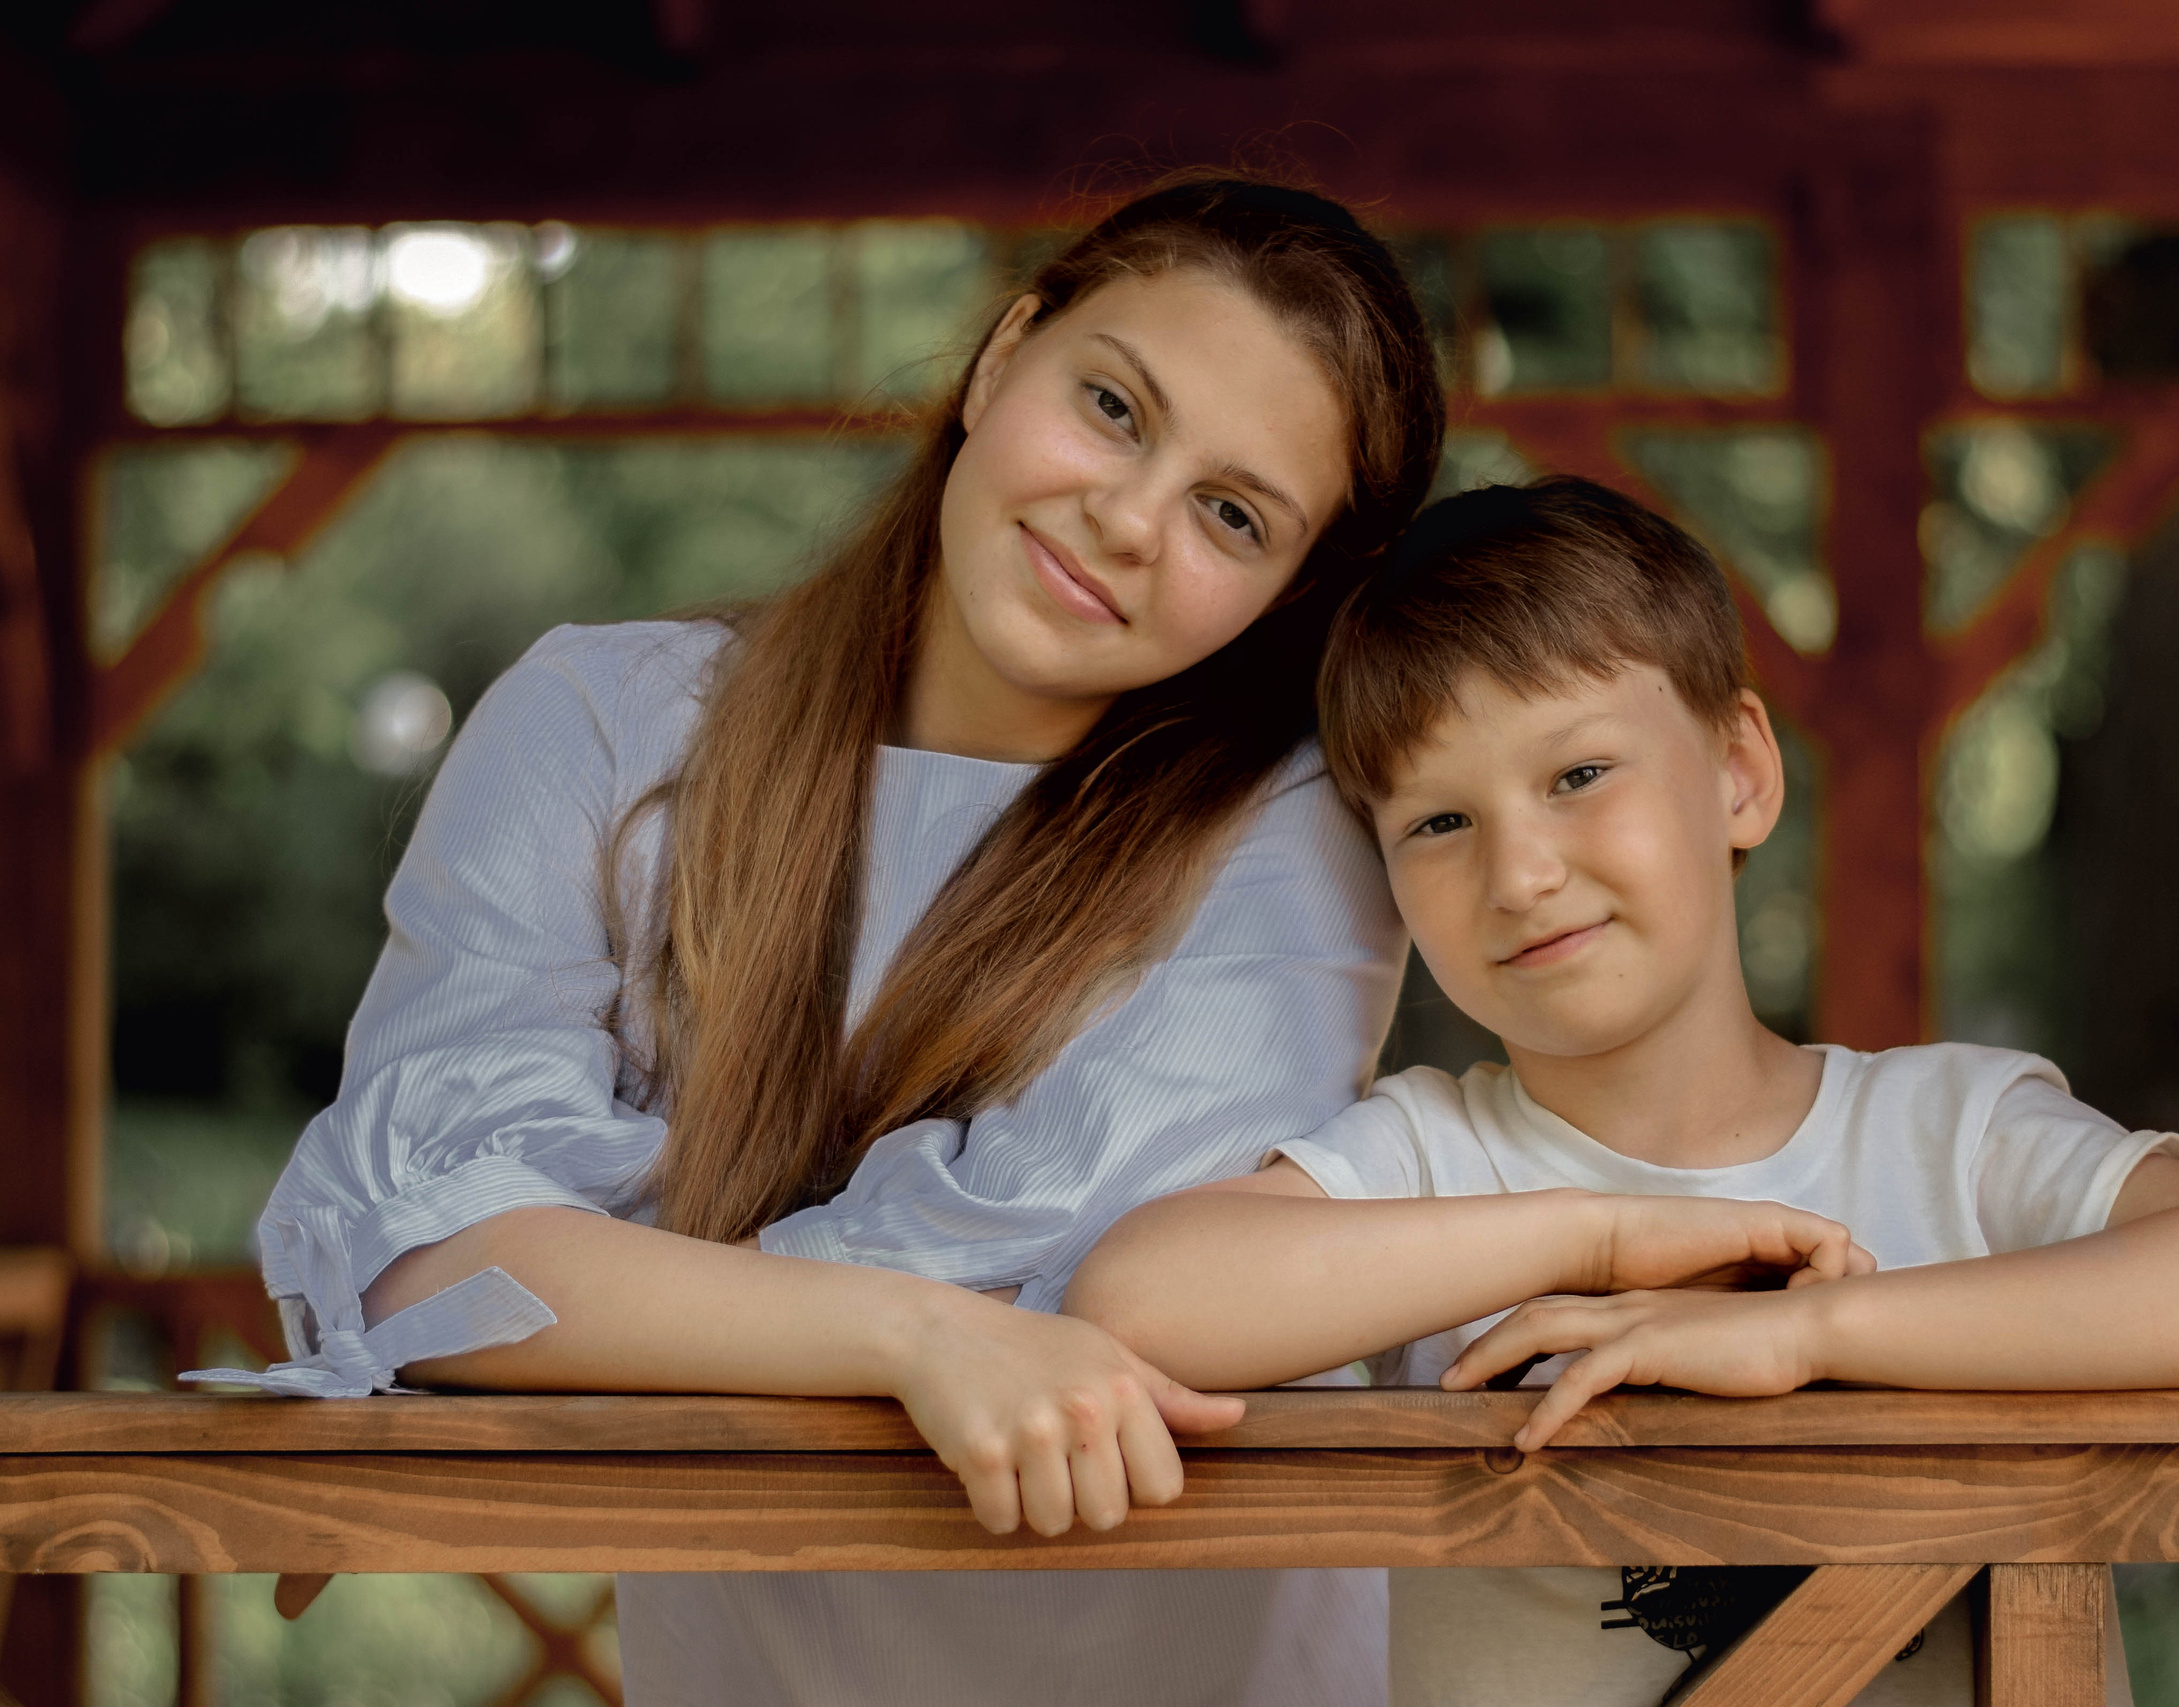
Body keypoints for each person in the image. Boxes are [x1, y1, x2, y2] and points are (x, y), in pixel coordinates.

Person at [188, 174, 1447, 1707]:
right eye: (1114, 408)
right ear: (1002, 357)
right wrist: (906, 1330)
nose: (1127, 520)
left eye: (1232, 514)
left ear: (1290, 593)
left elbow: (1092, 1285)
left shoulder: (1295, 828)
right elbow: (426, 1248)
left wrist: (597, 1288)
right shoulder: (599, 724)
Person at [1064, 477, 2179, 1707]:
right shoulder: (1435, 1154)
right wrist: (1605, 1239)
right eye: (1438, 825)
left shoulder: (1952, 1134)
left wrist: (1808, 1341)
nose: (1518, 874)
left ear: (1738, 773)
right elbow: (1142, 1299)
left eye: (1578, 777)